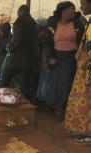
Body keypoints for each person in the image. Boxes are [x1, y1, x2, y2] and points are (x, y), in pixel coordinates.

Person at [43, 1, 85, 120]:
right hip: (56, 58)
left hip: (72, 58)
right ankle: (55, 106)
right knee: (55, 84)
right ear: (63, 10)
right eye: (71, 9)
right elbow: (46, 43)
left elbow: (83, 41)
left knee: (67, 84)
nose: (74, 11)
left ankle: (63, 109)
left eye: (74, 9)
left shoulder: (78, 24)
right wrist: (50, 57)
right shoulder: (52, 23)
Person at [64, 0, 91, 145]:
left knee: (85, 98)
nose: (81, 7)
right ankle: (84, 130)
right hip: (85, 66)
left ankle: (88, 133)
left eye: (83, 4)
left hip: (88, 68)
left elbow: (89, 44)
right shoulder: (89, 22)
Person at [1, 5, 39, 101]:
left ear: (21, 11)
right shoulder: (33, 22)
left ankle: (1, 95)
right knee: (24, 82)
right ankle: (25, 102)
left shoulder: (20, 21)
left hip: (18, 57)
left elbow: (18, 39)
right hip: (29, 57)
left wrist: (11, 46)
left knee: (6, 76)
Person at [0, 22, 11, 87]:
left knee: (0, 82)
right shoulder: (10, 37)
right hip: (7, 63)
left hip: (2, 62)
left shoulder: (3, 39)